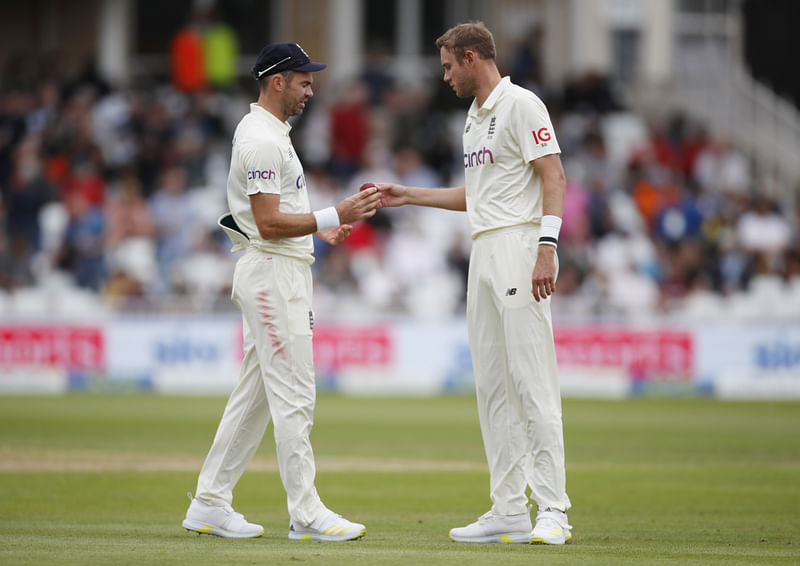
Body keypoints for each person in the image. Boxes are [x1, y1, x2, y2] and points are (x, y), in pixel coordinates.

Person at [375, 22, 572, 545]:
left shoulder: (522, 104)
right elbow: (478, 195)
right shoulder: (472, 117)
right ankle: (508, 508)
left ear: (469, 57)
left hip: (518, 245)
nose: (444, 78)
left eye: (446, 67)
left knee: (532, 380)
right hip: (483, 247)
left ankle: (553, 509)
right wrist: (408, 195)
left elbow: (554, 176)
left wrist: (547, 247)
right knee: (492, 385)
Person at [182, 42, 380, 541]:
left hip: (280, 267)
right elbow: (268, 223)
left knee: (257, 395)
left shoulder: (273, 134)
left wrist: (319, 229)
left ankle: (209, 502)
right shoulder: (262, 140)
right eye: (304, 81)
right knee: (294, 392)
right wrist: (337, 215)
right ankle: (306, 514)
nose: (311, 89)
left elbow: (275, 216)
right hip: (272, 272)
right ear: (278, 82)